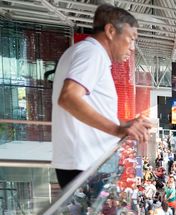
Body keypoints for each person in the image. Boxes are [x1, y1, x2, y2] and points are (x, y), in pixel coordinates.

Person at [52, 3, 151, 187]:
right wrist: (117, 130)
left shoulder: (86, 53)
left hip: (85, 164)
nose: (132, 48)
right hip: (84, 165)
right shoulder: (92, 53)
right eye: (131, 38)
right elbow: (69, 97)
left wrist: (125, 124)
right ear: (111, 31)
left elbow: (89, 108)